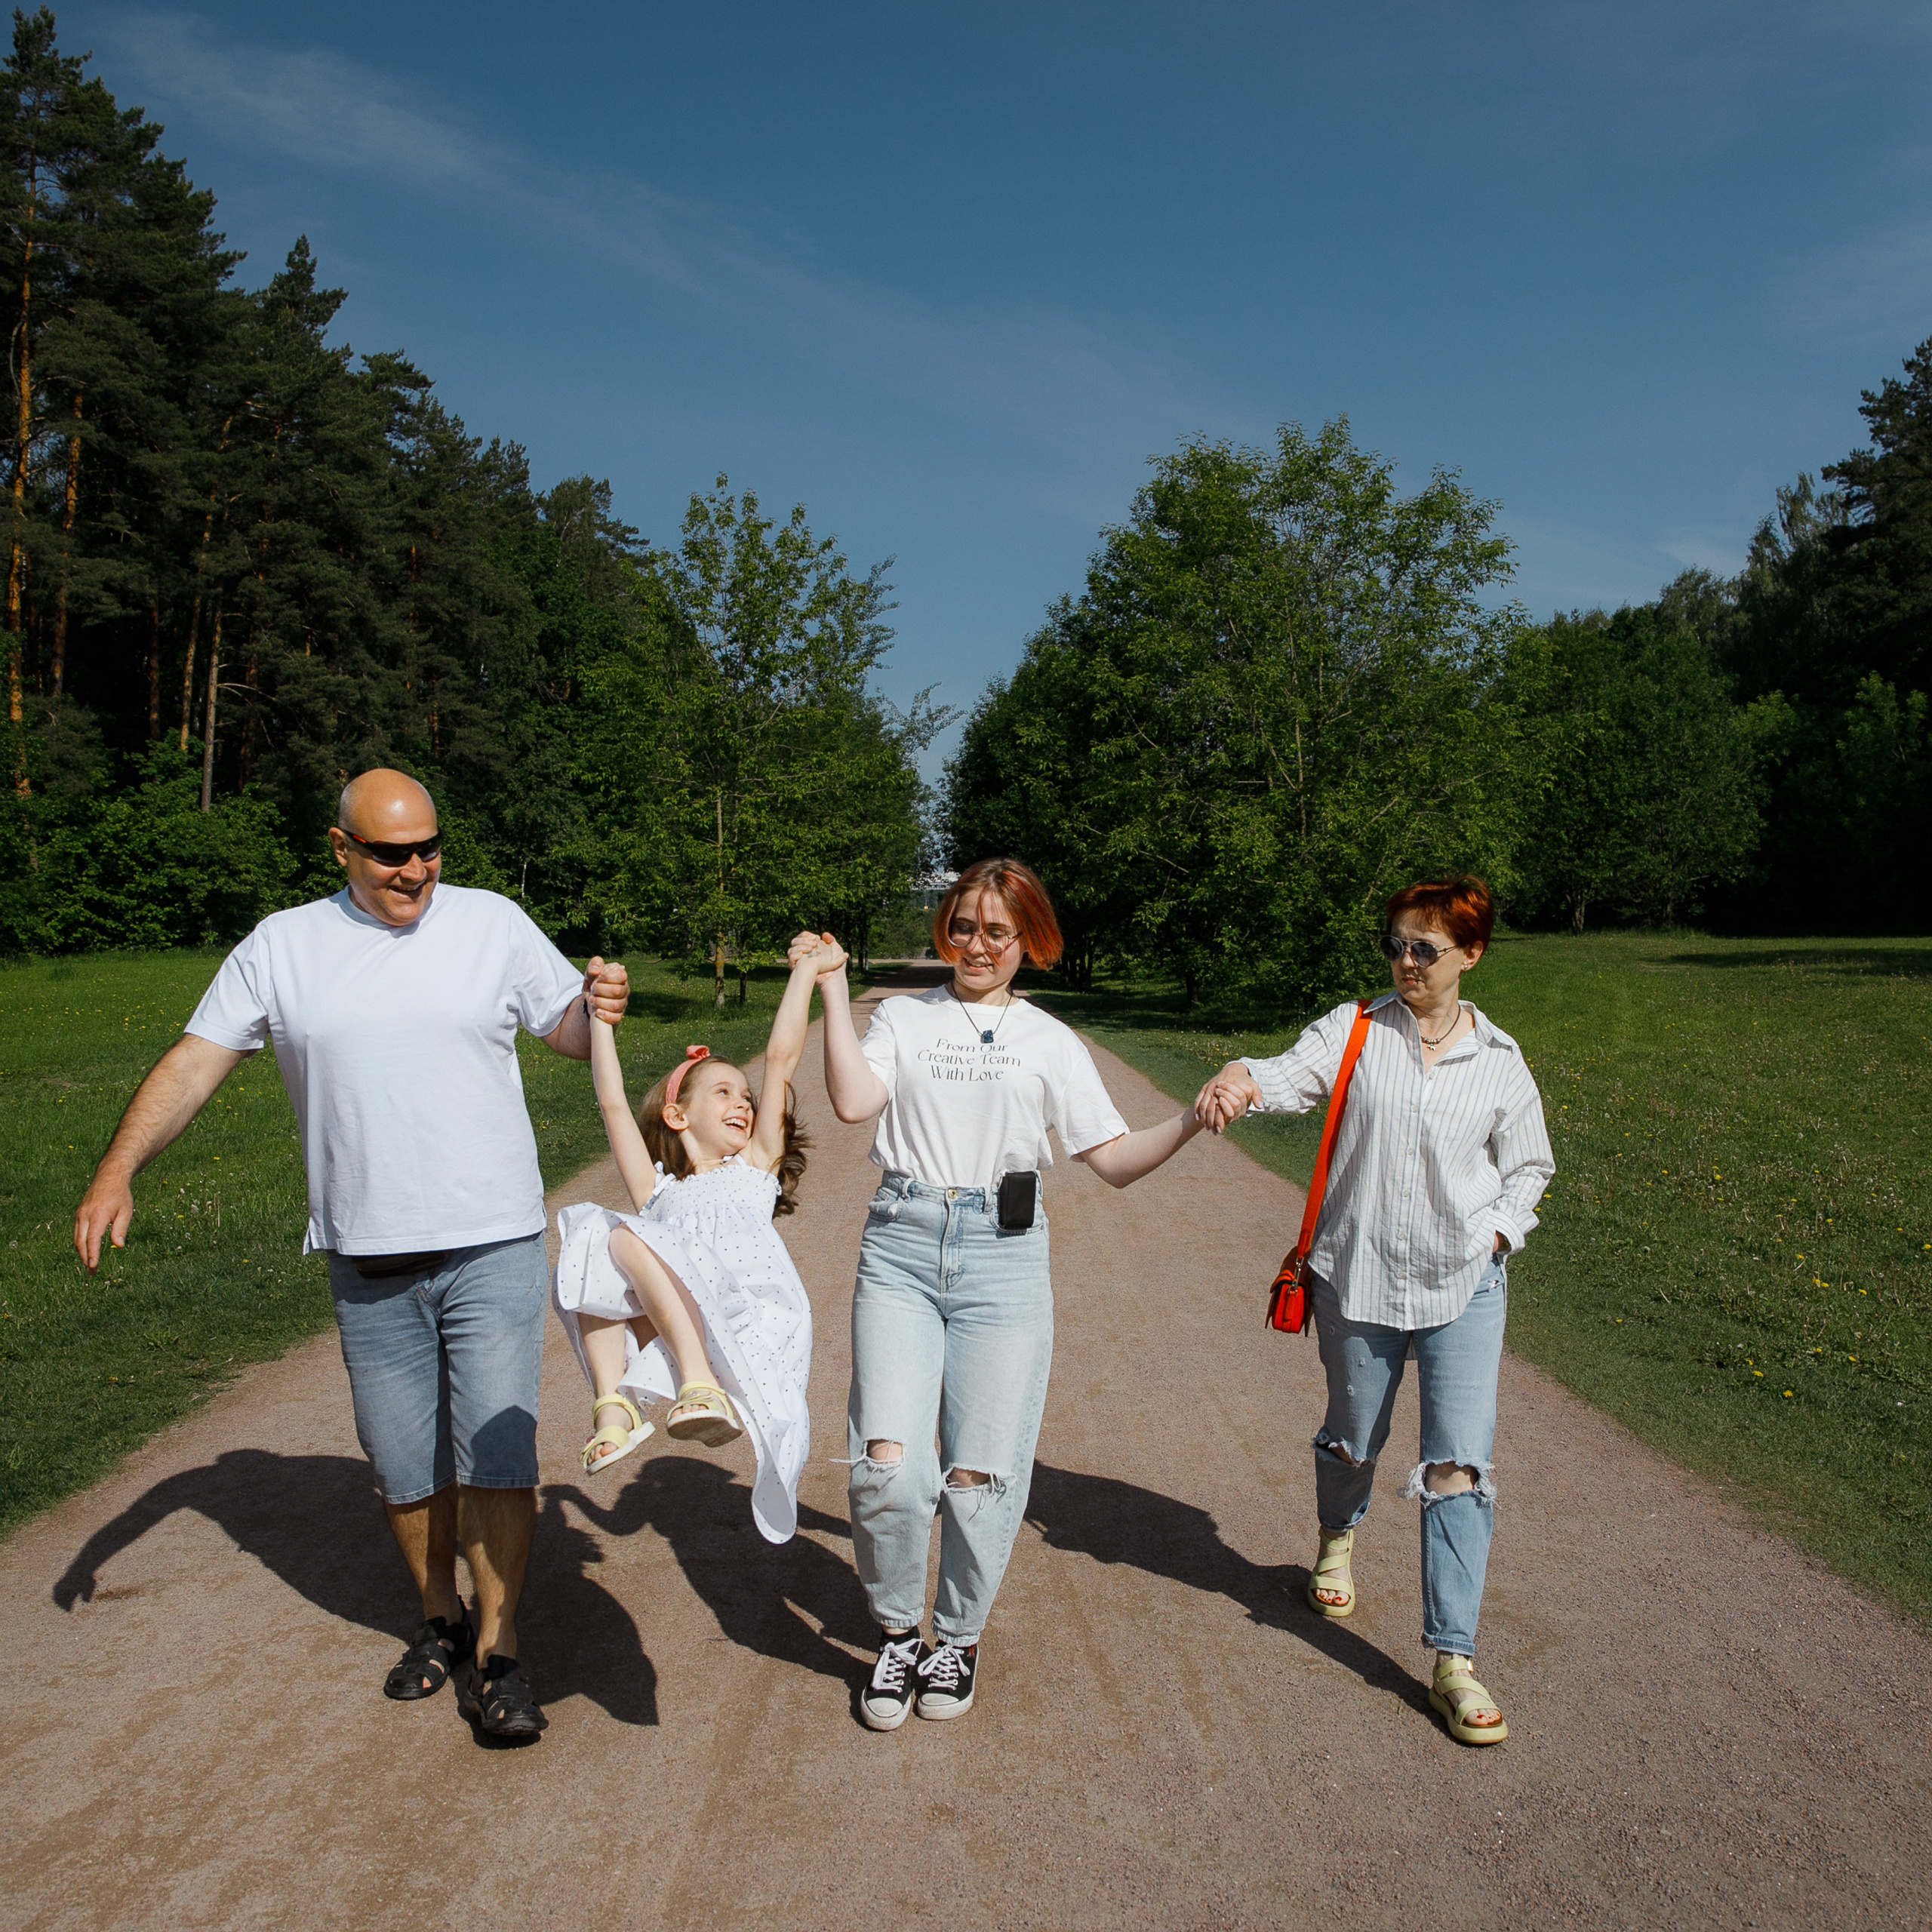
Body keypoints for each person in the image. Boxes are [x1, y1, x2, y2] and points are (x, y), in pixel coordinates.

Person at [72, 769, 629, 1741]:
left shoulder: (491, 922)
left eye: (428, 848)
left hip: (490, 1237)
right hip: (367, 1254)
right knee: (404, 1464)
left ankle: (500, 1655)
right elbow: (197, 1059)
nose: (415, 870)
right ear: (341, 850)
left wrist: (600, 1005)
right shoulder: (283, 946)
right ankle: (440, 1623)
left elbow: (567, 1033)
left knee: (496, 1457)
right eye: (390, 853)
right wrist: (117, 1169)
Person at [803, 857, 1205, 1731]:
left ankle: (956, 1637)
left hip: (1003, 1258)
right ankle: (897, 1632)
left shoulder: (1051, 1041)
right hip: (902, 1245)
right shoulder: (904, 1018)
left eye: (996, 931)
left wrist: (1191, 1119)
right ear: (944, 925)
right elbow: (850, 1101)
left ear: (1029, 940)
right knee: (889, 1465)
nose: (975, 945)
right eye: (962, 925)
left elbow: (1113, 1160)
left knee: (978, 1471)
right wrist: (833, 991)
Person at [1195, 875, 1553, 1746]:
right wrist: (1242, 1076)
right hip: (1355, 1277)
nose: (1404, 961)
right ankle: (1336, 1532)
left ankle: (1454, 1660)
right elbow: (1291, 1073)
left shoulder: (1500, 1062)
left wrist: (1499, 1236)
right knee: (1354, 1433)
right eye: (1394, 943)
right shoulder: (1355, 1029)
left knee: (1457, 1466)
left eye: (1423, 949)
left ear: (1470, 955)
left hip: (1465, 1285)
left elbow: (1530, 1167)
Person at [549, 937, 832, 1546]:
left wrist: (805, 973)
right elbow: (612, 1103)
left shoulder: (755, 1169)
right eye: (724, 1092)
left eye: (747, 1097)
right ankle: (614, 1406)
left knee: (623, 1239)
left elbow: (781, 1058)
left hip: (751, 1308)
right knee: (598, 1235)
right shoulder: (657, 1192)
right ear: (678, 1116)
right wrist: (601, 1021)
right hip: (691, 1319)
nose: (745, 1103)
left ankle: (697, 1382)